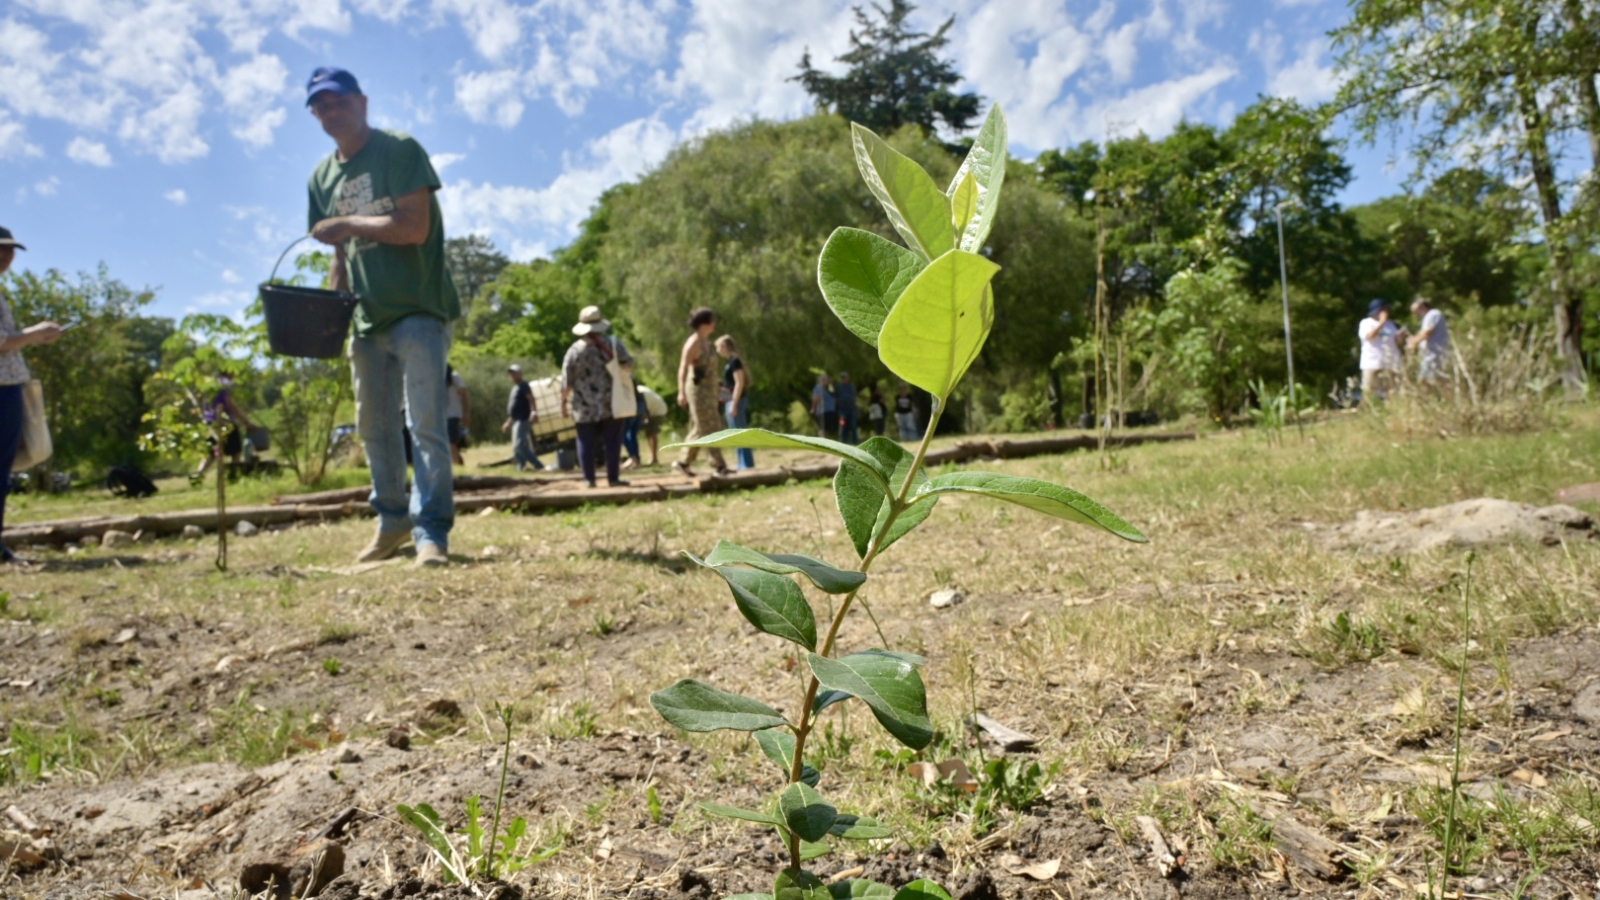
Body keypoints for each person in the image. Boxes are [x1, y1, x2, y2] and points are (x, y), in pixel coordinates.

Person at [305, 66, 460, 567]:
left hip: (418, 308)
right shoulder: (321, 177)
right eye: (320, 106)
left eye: (338, 101)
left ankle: (431, 532)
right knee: (373, 427)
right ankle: (392, 522)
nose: (330, 112)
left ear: (362, 101)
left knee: (426, 425)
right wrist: (334, 308)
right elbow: (339, 253)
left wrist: (348, 221)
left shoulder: (399, 149)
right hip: (366, 321)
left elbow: (414, 227)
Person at [0, 226, 65, 564]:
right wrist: (33, 333)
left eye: (11, 250)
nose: (7, 256)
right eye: (1, 249)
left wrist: (35, 337)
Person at [562, 306, 633, 488]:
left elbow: (567, 382)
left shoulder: (574, 350)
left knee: (585, 442)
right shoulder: (613, 344)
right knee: (612, 442)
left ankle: (589, 480)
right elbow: (629, 365)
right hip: (612, 402)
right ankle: (613, 479)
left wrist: (563, 403)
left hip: (584, 406)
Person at [674, 307, 729, 477]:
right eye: (712, 320)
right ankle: (719, 465)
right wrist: (681, 391)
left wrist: (718, 388)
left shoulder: (708, 343)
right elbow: (683, 367)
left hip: (710, 390)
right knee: (710, 425)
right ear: (705, 322)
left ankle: (683, 462)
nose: (715, 324)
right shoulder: (694, 343)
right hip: (698, 391)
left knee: (700, 427)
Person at [192, 373, 257, 484]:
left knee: (211, 453)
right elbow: (230, 405)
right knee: (235, 452)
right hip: (225, 422)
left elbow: (205, 404)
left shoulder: (210, 384)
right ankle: (233, 477)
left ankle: (197, 477)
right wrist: (246, 422)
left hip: (210, 421)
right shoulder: (224, 384)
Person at [716, 335, 754, 470]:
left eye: (719, 347)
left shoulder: (735, 362)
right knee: (734, 433)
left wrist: (734, 403)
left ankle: (747, 464)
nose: (717, 350)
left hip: (735, 401)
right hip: (729, 400)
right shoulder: (729, 363)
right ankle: (741, 463)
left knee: (740, 432)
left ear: (726, 346)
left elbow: (740, 382)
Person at [1358, 299, 1406, 406]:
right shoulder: (1366, 323)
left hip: (1390, 362)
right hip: (1372, 362)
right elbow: (1369, 336)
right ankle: (1366, 412)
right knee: (1369, 390)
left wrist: (1400, 336)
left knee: (1391, 390)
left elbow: (1394, 341)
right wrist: (1381, 323)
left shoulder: (1390, 324)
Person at [501, 364, 543, 472]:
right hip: (516, 420)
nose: (512, 375)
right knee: (516, 446)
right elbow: (515, 409)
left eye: (514, 373)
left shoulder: (523, 385)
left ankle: (538, 465)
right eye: (511, 373)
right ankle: (521, 467)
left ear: (520, 373)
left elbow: (531, 399)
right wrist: (508, 422)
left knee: (520, 444)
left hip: (523, 419)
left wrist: (533, 412)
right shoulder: (515, 387)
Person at [1407, 298, 1452, 389]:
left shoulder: (1433, 314)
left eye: (1416, 311)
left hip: (1434, 353)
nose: (1416, 315)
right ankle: (1437, 400)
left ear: (1422, 306)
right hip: (1430, 354)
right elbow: (1423, 332)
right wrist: (1414, 339)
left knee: (1428, 380)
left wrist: (1413, 343)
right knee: (1432, 379)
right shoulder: (1428, 317)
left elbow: (1426, 333)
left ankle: (1434, 400)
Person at [445, 363, 470, 466]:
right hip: (440, 416)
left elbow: (464, 396)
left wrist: (467, 413)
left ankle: (455, 466)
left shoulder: (454, 377)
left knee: (451, 442)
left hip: (452, 414)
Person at [835, 370, 860, 445]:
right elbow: (836, 396)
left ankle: (854, 441)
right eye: (842, 378)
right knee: (842, 424)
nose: (843, 379)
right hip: (842, 410)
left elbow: (854, 396)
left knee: (853, 425)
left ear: (848, 378)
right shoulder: (838, 387)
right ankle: (843, 440)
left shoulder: (851, 386)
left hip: (852, 409)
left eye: (845, 377)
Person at [810, 373, 835, 439]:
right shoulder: (818, 387)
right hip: (822, 411)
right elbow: (816, 399)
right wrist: (813, 408)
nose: (828, 381)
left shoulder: (829, 387)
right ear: (823, 380)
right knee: (822, 427)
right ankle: (821, 439)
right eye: (827, 380)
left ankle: (824, 438)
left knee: (827, 427)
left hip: (829, 410)